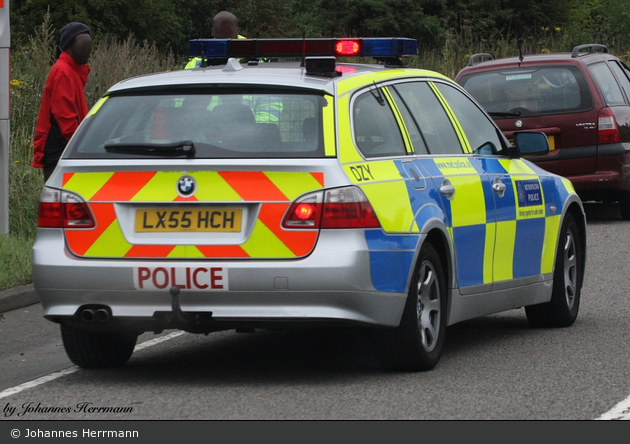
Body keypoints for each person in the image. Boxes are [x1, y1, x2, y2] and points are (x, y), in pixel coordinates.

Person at [32, 22, 93, 181]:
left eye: (89, 45)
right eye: (83, 45)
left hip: (64, 147)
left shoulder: (72, 70)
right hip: (61, 149)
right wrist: (80, 147)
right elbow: (65, 116)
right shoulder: (63, 71)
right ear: (69, 46)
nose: (87, 50)